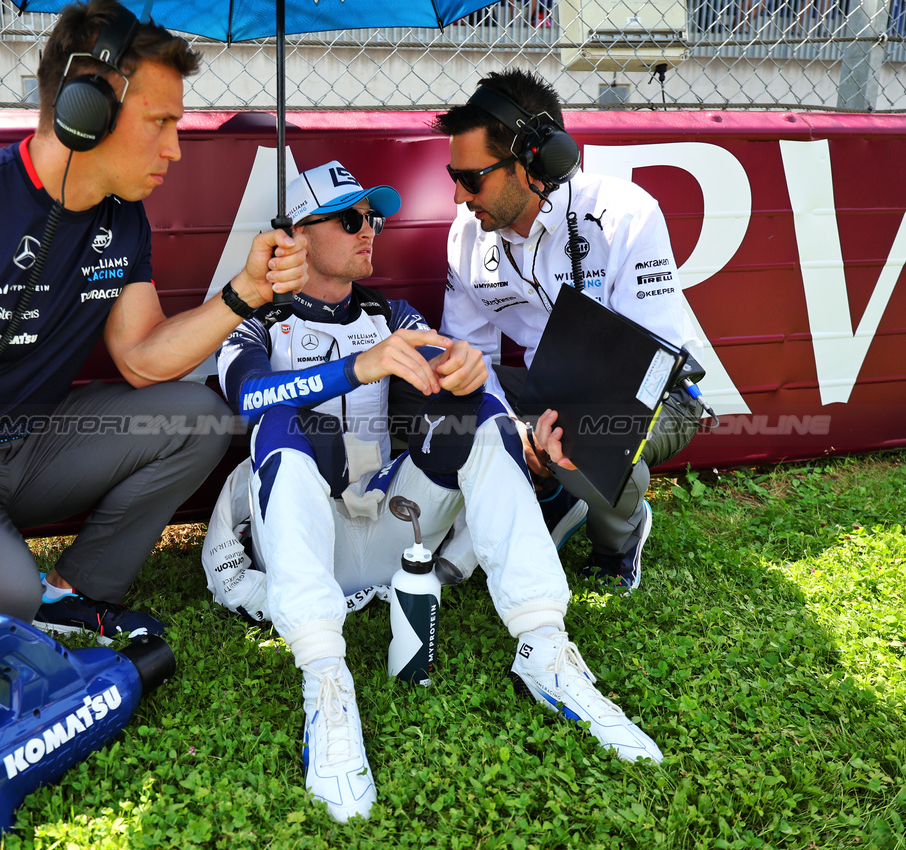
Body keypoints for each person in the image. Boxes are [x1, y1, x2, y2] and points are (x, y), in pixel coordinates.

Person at [0, 0, 308, 721]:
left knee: (198, 416)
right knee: (0, 608)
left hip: (37, 443)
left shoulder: (122, 215)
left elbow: (145, 362)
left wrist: (243, 294)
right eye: (161, 123)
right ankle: (14, 593)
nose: (174, 150)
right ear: (84, 106)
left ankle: (73, 591)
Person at [206, 160, 663, 823]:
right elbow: (247, 394)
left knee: (472, 410)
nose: (369, 230)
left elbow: (455, 378)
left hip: (396, 531)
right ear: (296, 236)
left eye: (374, 218)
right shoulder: (256, 317)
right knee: (282, 422)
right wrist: (353, 368)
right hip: (308, 546)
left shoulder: (391, 313)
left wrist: (469, 373)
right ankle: (325, 682)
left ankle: (543, 646)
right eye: (349, 218)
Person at [433, 68, 704, 591]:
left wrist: (554, 422)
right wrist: (507, 423)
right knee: (440, 393)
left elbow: (650, 358)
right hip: (544, 390)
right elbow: (470, 356)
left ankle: (617, 540)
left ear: (536, 161)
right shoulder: (466, 235)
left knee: (582, 433)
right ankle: (558, 494)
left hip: (657, 392)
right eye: (454, 176)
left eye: (472, 179)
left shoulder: (624, 212)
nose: (459, 197)